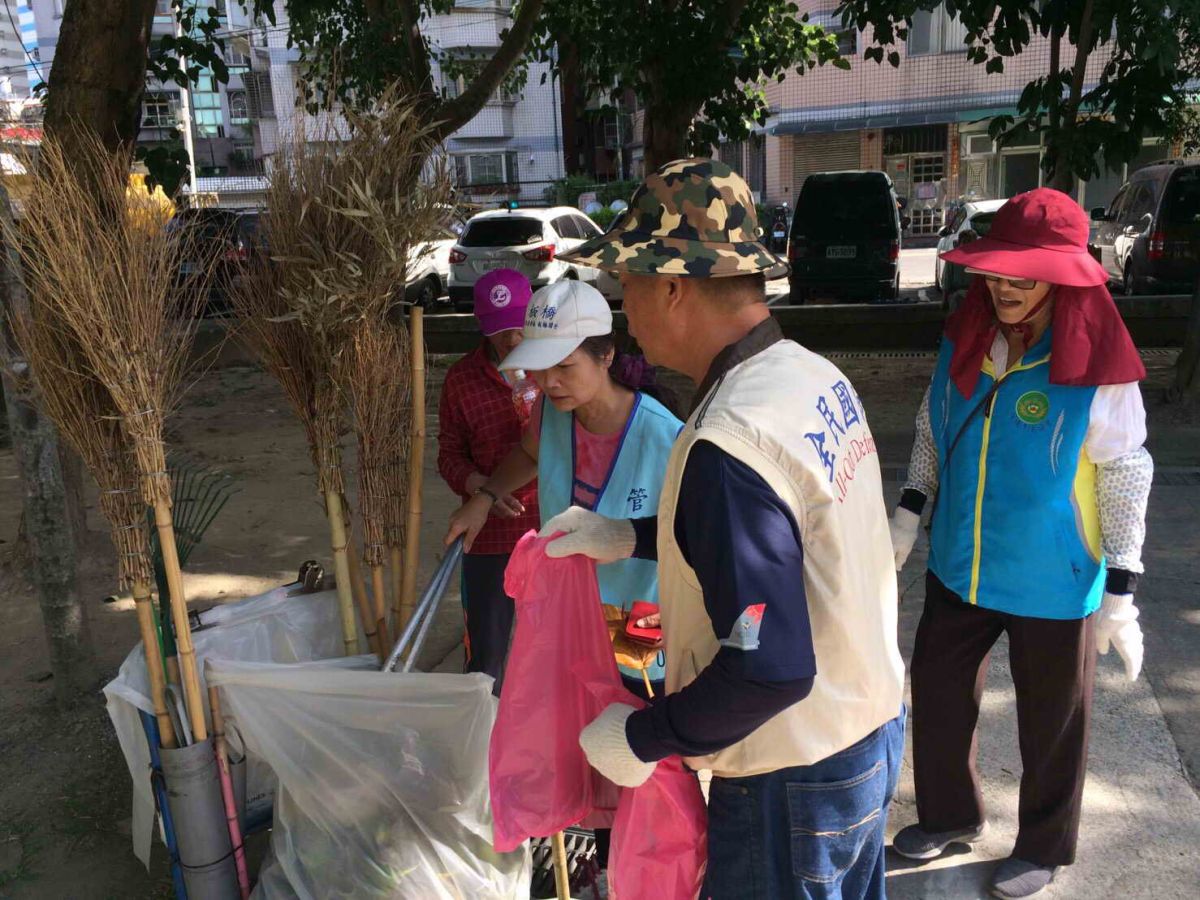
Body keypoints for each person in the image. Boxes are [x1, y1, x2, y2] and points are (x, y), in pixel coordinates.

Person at [540, 158, 906, 900]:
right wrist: (629, 535)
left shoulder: (729, 441)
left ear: (672, 286)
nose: (624, 310)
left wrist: (645, 736)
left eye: (627, 285)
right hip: (867, 728)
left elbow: (769, 667)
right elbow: (778, 535)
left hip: (789, 777)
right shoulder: (806, 375)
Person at [887, 188, 1152, 899]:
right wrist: (909, 513)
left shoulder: (1099, 359)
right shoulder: (966, 334)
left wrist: (1122, 588)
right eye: (996, 273)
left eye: (1023, 275)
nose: (1004, 288)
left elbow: (1126, 469)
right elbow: (931, 427)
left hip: (1053, 575)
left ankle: (1043, 844)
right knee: (938, 694)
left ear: (1064, 275)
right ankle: (949, 814)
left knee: (1053, 720)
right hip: (960, 564)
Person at [437, 268, 539, 684]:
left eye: (519, 327)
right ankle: (483, 742)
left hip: (551, 526)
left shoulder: (555, 369)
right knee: (486, 659)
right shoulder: (462, 379)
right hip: (489, 533)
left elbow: (561, 445)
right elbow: (449, 455)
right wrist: (478, 487)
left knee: (553, 648)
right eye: (500, 331)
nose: (512, 340)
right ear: (481, 325)